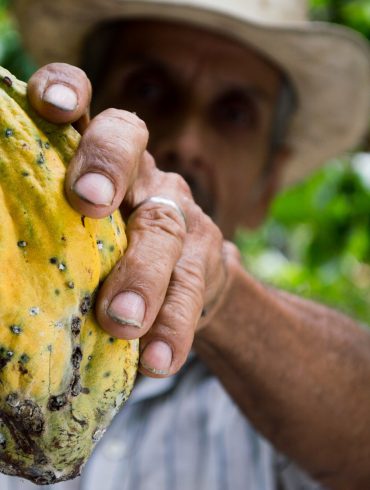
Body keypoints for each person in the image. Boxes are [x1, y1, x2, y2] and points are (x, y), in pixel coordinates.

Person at [2, 0, 370, 488]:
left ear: (268, 183)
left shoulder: (293, 410)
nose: (187, 141)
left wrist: (219, 293)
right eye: (149, 88)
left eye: (234, 114)